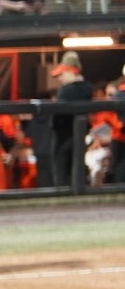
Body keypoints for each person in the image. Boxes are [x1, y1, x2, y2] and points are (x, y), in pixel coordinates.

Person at [41, 52, 96, 190]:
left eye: (62, 74)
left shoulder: (66, 91)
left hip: (63, 139)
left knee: (62, 176)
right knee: (78, 172)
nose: (59, 78)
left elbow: (56, 120)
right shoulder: (87, 88)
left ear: (71, 71)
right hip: (79, 137)